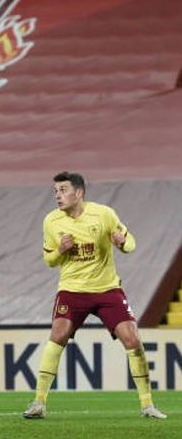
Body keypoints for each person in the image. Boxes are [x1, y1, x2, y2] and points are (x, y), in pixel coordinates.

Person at [22, 171, 166, 419]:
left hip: (107, 289)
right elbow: (49, 260)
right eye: (56, 191)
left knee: (132, 339)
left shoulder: (104, 214)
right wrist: (60, 250)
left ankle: (147, 405)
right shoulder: (51, 221)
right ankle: (38, 403)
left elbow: (131, 243)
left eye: (63, 190)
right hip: (72, 290)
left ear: (79, 193)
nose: (58, 195)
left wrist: (121, 243)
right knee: (57, 336)